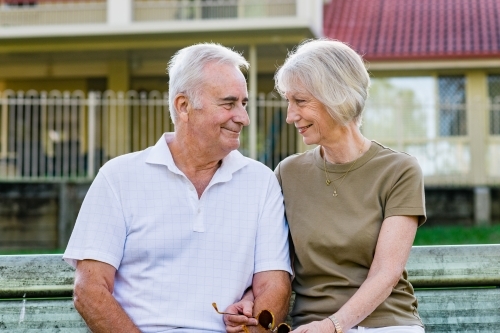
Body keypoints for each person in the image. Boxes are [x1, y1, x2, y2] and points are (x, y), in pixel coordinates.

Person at [63, 43, 292, 333]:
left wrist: (255, 324)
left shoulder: (261, 182)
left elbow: (275, 283)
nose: (243, 118)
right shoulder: (118, 178)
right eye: (228, 103)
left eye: (243, 104)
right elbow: (89, 290)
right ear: (183, 106)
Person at [273, 39, 426, 333]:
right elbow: (274, 262)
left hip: (386, 324)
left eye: (300, 101)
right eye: (289, 102)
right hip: (310, 327)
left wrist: (334, 325)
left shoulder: (399, 170)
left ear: (337, 97)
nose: (291, 115)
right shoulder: (288, 173)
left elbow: (386, 272)